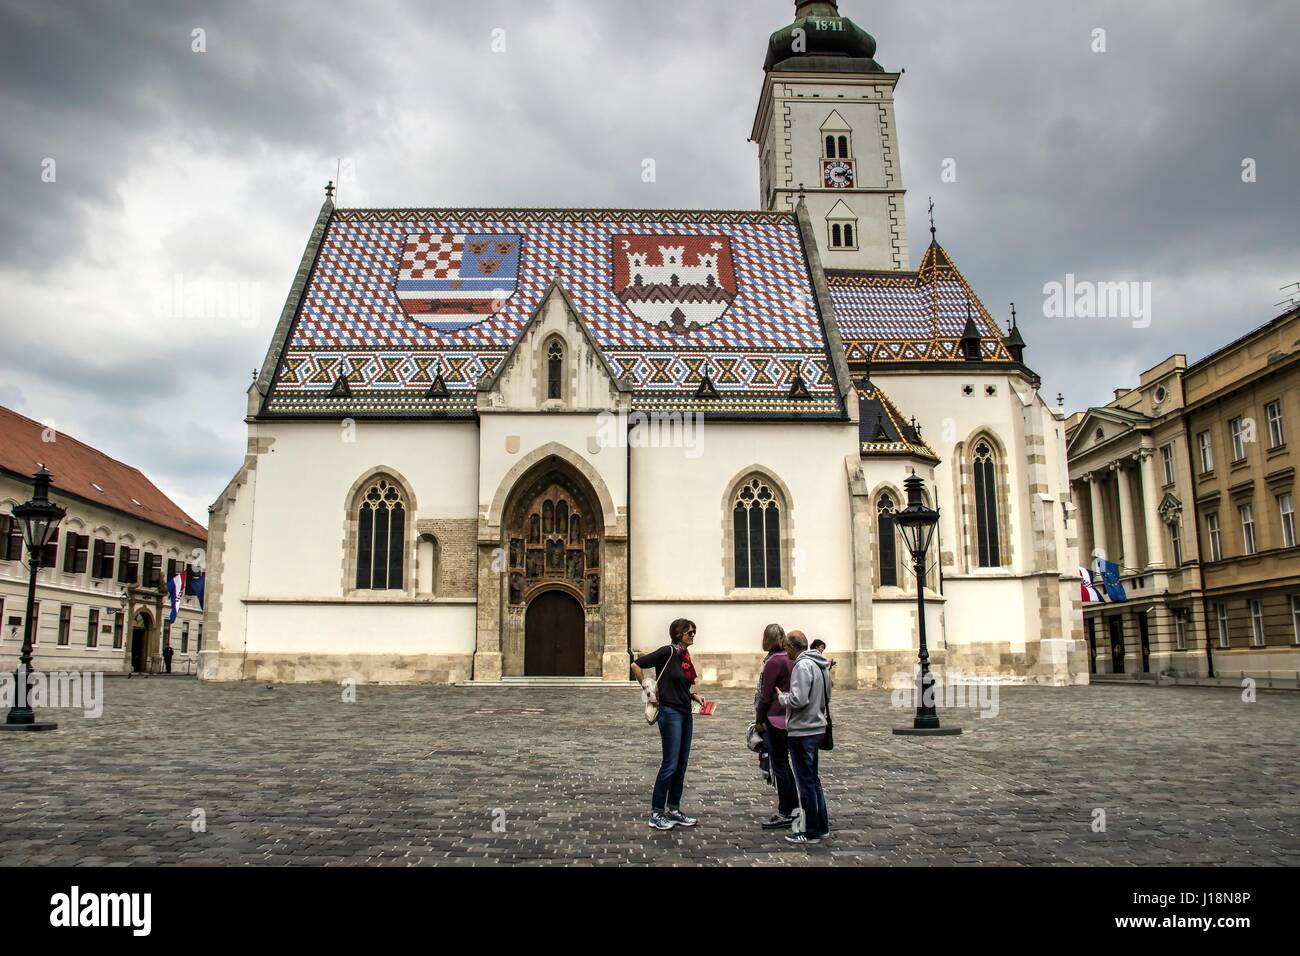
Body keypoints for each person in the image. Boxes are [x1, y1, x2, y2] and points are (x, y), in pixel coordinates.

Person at [631, 618, 708, 830]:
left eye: (694, 632)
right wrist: (648, 690)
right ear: (678, 634)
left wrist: (693, 696)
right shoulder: (667, 652)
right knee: (670, 763)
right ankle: (657, 812)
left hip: (685, 712)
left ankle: (673, 809)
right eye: (690, 632)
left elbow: (678, 684)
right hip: (670, 713)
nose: (693, 635)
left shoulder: (685, 656)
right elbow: (636, 665)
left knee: (681, 764)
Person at [778, 631, 832, 844]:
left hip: (803, 729)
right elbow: (828, 693)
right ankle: (822, 826)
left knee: (806, 783)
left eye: (786, 647)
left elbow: (799, 699)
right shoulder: (820, 664)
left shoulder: (802, 665)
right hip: (818, 726)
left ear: (791, 646)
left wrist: (782, 697)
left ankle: (810, 831)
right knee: (814, 780)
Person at [755, 624, 797, 830]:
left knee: (779, 766)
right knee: (785, 765)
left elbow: (765, 695)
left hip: (774, 718)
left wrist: (758, 718)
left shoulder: (773, 661)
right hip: (789, 717)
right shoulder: (789, 657)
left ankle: (785, 811)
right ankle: (794, 807)